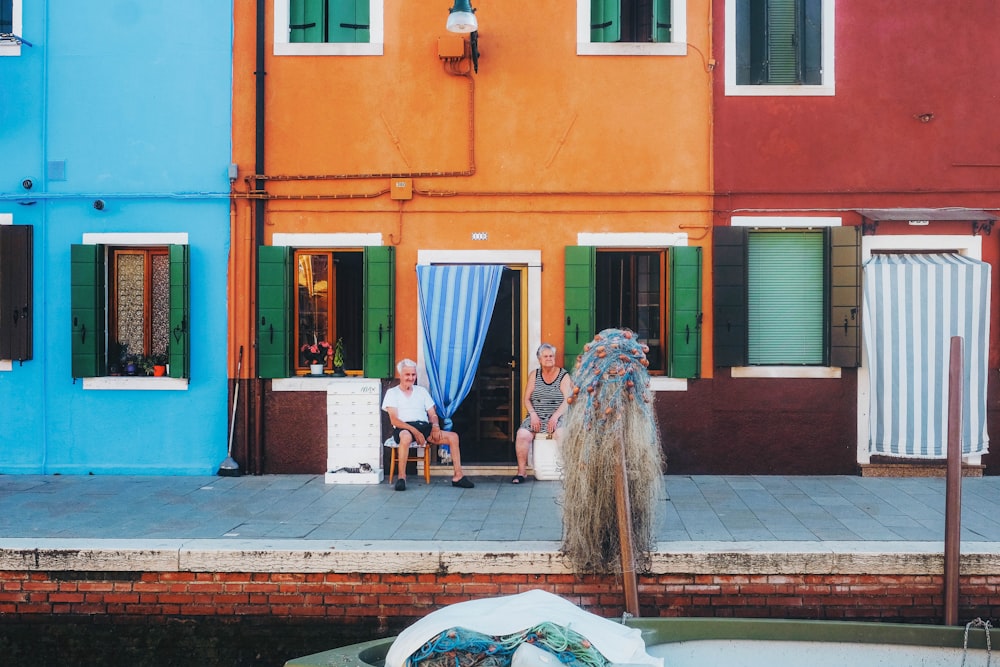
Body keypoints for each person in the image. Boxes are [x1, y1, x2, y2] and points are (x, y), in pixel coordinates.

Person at [382, 358, 474, 491]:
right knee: (406, 437)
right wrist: (414, 431)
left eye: (413, 374)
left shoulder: (421, 391)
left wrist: (436, 426)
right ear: (400, 375)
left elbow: (432, 414)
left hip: (424, 427)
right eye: (407, 375)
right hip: (404, 428)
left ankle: (458, 476)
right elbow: (394, 420)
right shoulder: (393, 393)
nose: (411, 378)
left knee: (453, 437)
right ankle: (402, 477)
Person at [512, 343, 572, 484]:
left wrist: (556, 416)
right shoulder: (535, 375)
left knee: (561, 434)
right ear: (539, 359)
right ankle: (521, 472)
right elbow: (526, 399)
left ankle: (568, 470)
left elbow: (567, 400)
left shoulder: (563, 375)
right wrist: (532, 414)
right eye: (545, 356)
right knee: (522, 435)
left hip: (558, 415)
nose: (549, 359)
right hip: (536, 416)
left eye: (551, 356)